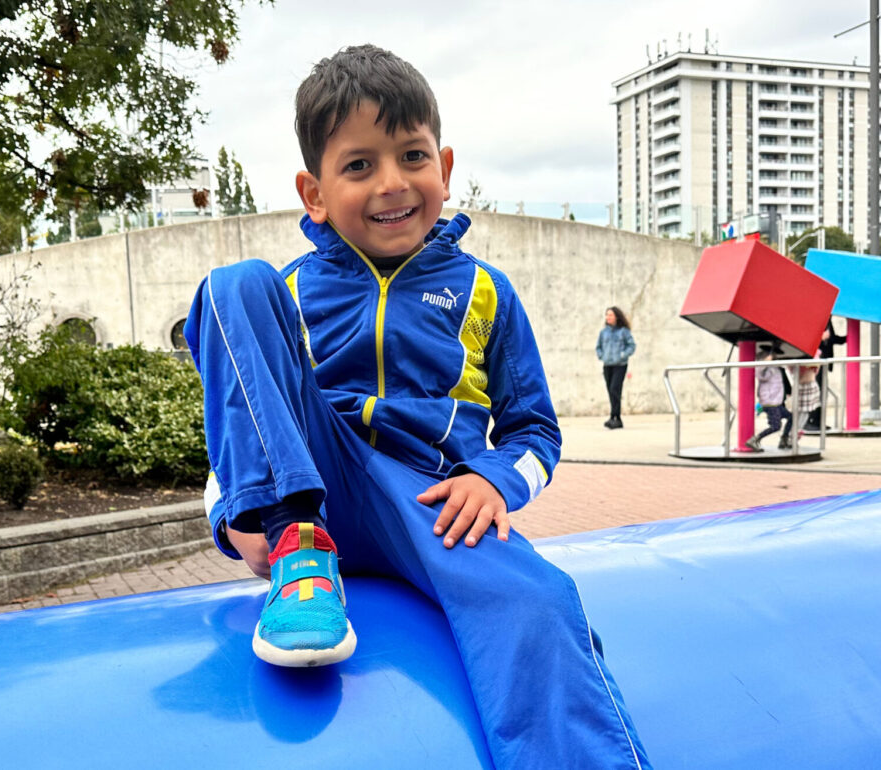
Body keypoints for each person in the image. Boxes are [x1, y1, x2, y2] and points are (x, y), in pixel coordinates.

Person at [184, 44, 649, 769]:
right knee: (230, 286)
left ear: (446, 166)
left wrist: (492, 479)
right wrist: (232, 513)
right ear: (314, 192)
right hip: (316, 496)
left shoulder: (484, 291)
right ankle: (299, 556)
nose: (392, 183)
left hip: (431, 507)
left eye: (412, 155)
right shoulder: (292, 291)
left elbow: (535, 431)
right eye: (359, 165)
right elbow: (246, 412)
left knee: (542, 602)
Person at [746, 346, 794, 451]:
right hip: (770, 403)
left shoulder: (776, 368)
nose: (775, 357)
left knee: (792, 417)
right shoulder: (763, 368)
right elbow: (760, 374)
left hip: (776, 402)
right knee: (776, 426)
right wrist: (765, 362)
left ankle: (784, 438)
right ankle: (755, 439)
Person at [596, 306, 636, 429]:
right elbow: (598, 347)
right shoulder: (603, 332)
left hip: (620, 365)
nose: (608, 317)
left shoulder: (624, 331)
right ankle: (615, 418)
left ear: (616, 317)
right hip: (607, 365)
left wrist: (623, 355)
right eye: (606, 315)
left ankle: (615, 416)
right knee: (611, 391)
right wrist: (602, 356)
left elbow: (632, 346)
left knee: (615, 389)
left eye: (610, 315)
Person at [805, 317, 846, 430]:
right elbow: (806, 338)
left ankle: (818, 421)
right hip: (815, 362)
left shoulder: (827, 320)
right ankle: (810, 421)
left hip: (824, 362)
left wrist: (846, 338)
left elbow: (832, 339)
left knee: (822, 393)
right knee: (815, 392)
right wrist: (821, 338)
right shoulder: (815, 318)